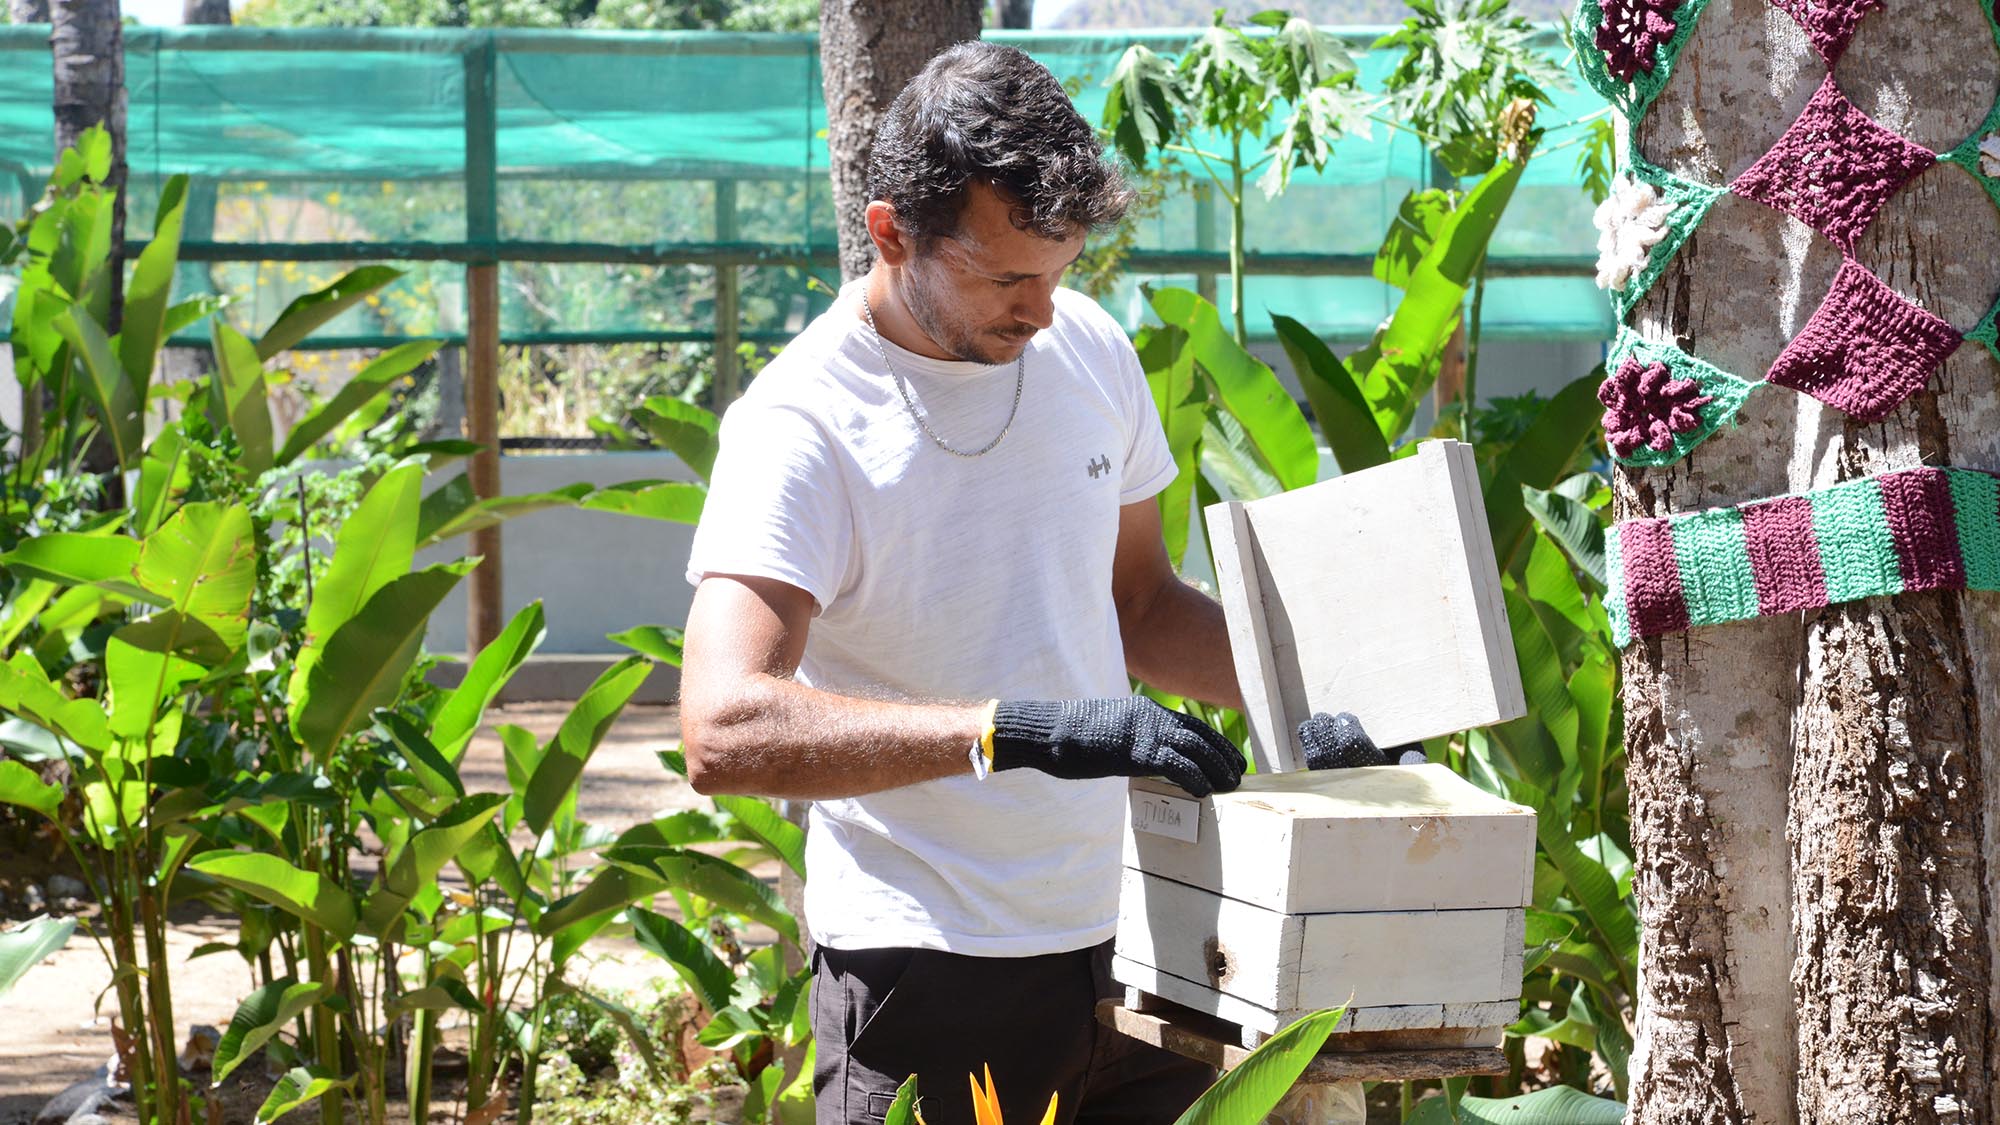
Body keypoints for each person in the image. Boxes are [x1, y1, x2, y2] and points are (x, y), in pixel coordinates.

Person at [679, 40, 1385, 1125]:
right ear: (891, 233)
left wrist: (1317, 696)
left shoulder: (1087, 350)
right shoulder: (800, 426)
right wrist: (1019, 731)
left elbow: (1141, 608)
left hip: (1137, 937)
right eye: (1006, 277)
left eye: (1058, 273)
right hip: (925, 963)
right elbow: (724, 731)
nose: (1041, 311)